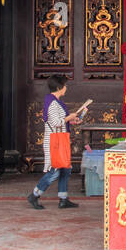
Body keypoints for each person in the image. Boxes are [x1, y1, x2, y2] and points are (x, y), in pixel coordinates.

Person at [28, 76, 86, 209]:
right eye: (65, 85)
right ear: (59, 87)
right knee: (54, 171)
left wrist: (72, 120)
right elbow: (55, 123)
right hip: (54, 142)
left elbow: (60, 121)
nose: (66, 88)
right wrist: (69, 117)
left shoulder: (55, 101)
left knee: (65, 169)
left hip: (59, 140)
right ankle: (34, 195)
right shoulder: (53, 103)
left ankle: (63, 199)